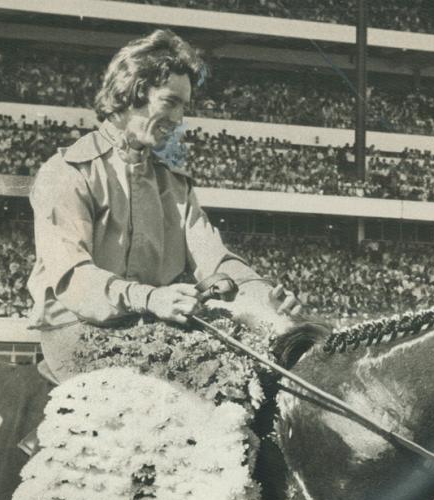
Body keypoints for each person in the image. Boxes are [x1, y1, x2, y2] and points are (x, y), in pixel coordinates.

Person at [26, 29, 302, 380]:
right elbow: (74, 281)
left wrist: (265, 297)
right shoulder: (66, 173)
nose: (179, 119)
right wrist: (150, 298)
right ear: (132, 93)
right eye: (170, 102)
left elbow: (214, 259)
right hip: (76, 328)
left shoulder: (172, 182)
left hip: (151, 326)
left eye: (184, 106)